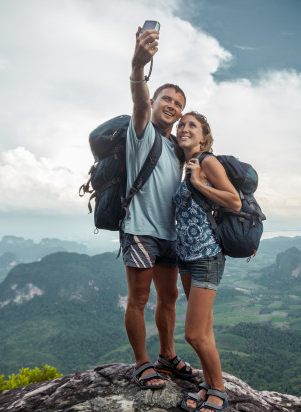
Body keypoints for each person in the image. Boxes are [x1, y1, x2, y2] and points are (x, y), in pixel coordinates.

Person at [125, 24, 196, 389]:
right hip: (140, 229)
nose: (172, 106)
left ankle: (167, 356)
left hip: (170, 234)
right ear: (155, 102)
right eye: (167, 99)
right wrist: (139, 66)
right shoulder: (142, 132)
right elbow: (138, 100)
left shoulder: (174, 148)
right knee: (138, 298)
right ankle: (141, 363)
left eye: (179, 105)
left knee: (168, 298)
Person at [173, 111, 241, 412]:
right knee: (206, 329)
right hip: (185, 258)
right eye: (181, 125)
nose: (184, 128)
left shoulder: (208, 162)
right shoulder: (182, 166)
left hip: (207, 257)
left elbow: (234, 201)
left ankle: (220, 392)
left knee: (194, 334)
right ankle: (209, 384)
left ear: (204, 136)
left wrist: (199, 182)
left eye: (192, 126)